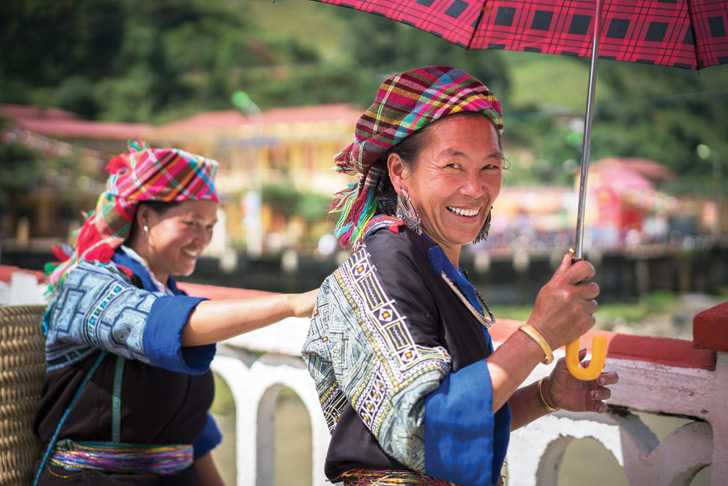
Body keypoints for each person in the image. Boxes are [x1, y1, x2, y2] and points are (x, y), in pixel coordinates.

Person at [302, 66, 619, 486]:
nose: (475, 188)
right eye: (453, 165)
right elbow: (420, 427)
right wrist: (537, 335)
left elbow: (461, 423)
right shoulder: (387, 262)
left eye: (490, 166)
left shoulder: (435, 267)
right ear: (399, 172)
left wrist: (545, 396)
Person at [33, 142, 318, 485]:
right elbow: (154, 322)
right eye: (192, 223)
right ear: (146, 218)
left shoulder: (172, 296)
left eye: (211, 226)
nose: (203, 238)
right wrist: (290, 304)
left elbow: (191, 439)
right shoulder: (88, 283)